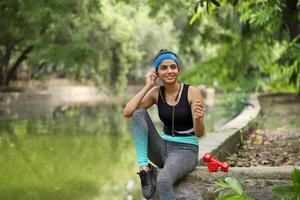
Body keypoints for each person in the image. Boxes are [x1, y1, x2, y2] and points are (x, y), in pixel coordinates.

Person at [122, 49, 205, 200]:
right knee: (138, 113)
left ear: (178, 69)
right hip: (163, 148)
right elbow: (127, 112)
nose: (169, 71)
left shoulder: (192, 92)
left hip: (186, 151)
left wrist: (198, 119)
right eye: (164, 67)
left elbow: (200, 133)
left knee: (163, 181)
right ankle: (144, 170)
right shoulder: (155, 93)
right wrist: (148, 86)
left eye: (173, 67)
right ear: (156, 72)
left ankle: (155, 173)